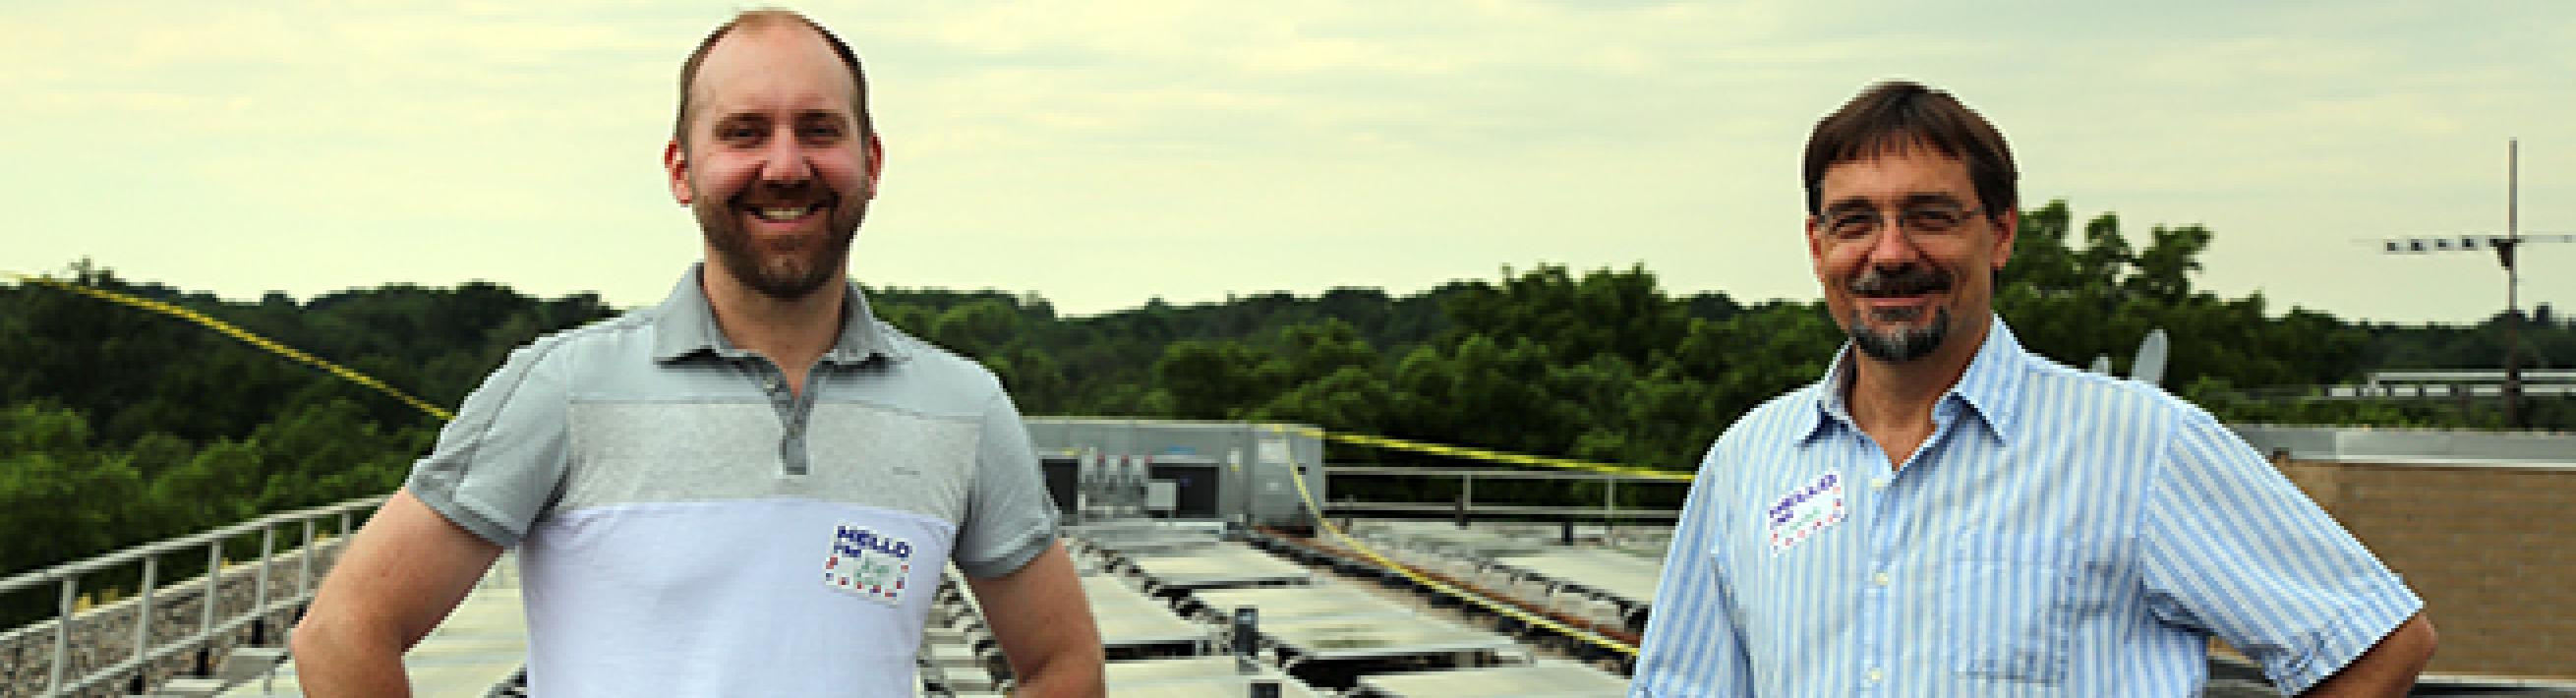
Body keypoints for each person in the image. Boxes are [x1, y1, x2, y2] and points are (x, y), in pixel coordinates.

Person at [290, 10, 1105, 697]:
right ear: (682, 170)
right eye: (744, 133)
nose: (784, 166)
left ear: (871, 162)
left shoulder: (962, 409)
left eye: (818, 130)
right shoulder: (563, 391)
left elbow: (1064, 664)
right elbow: (340, 635)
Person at [1628, 81, 2434, 696]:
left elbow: (2379, 641)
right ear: (1816, 245)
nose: (1891, 252)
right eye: (1855, 223)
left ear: (2003, 231)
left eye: (1931, 217)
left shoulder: (2139, 445)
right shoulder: (1747, 464)